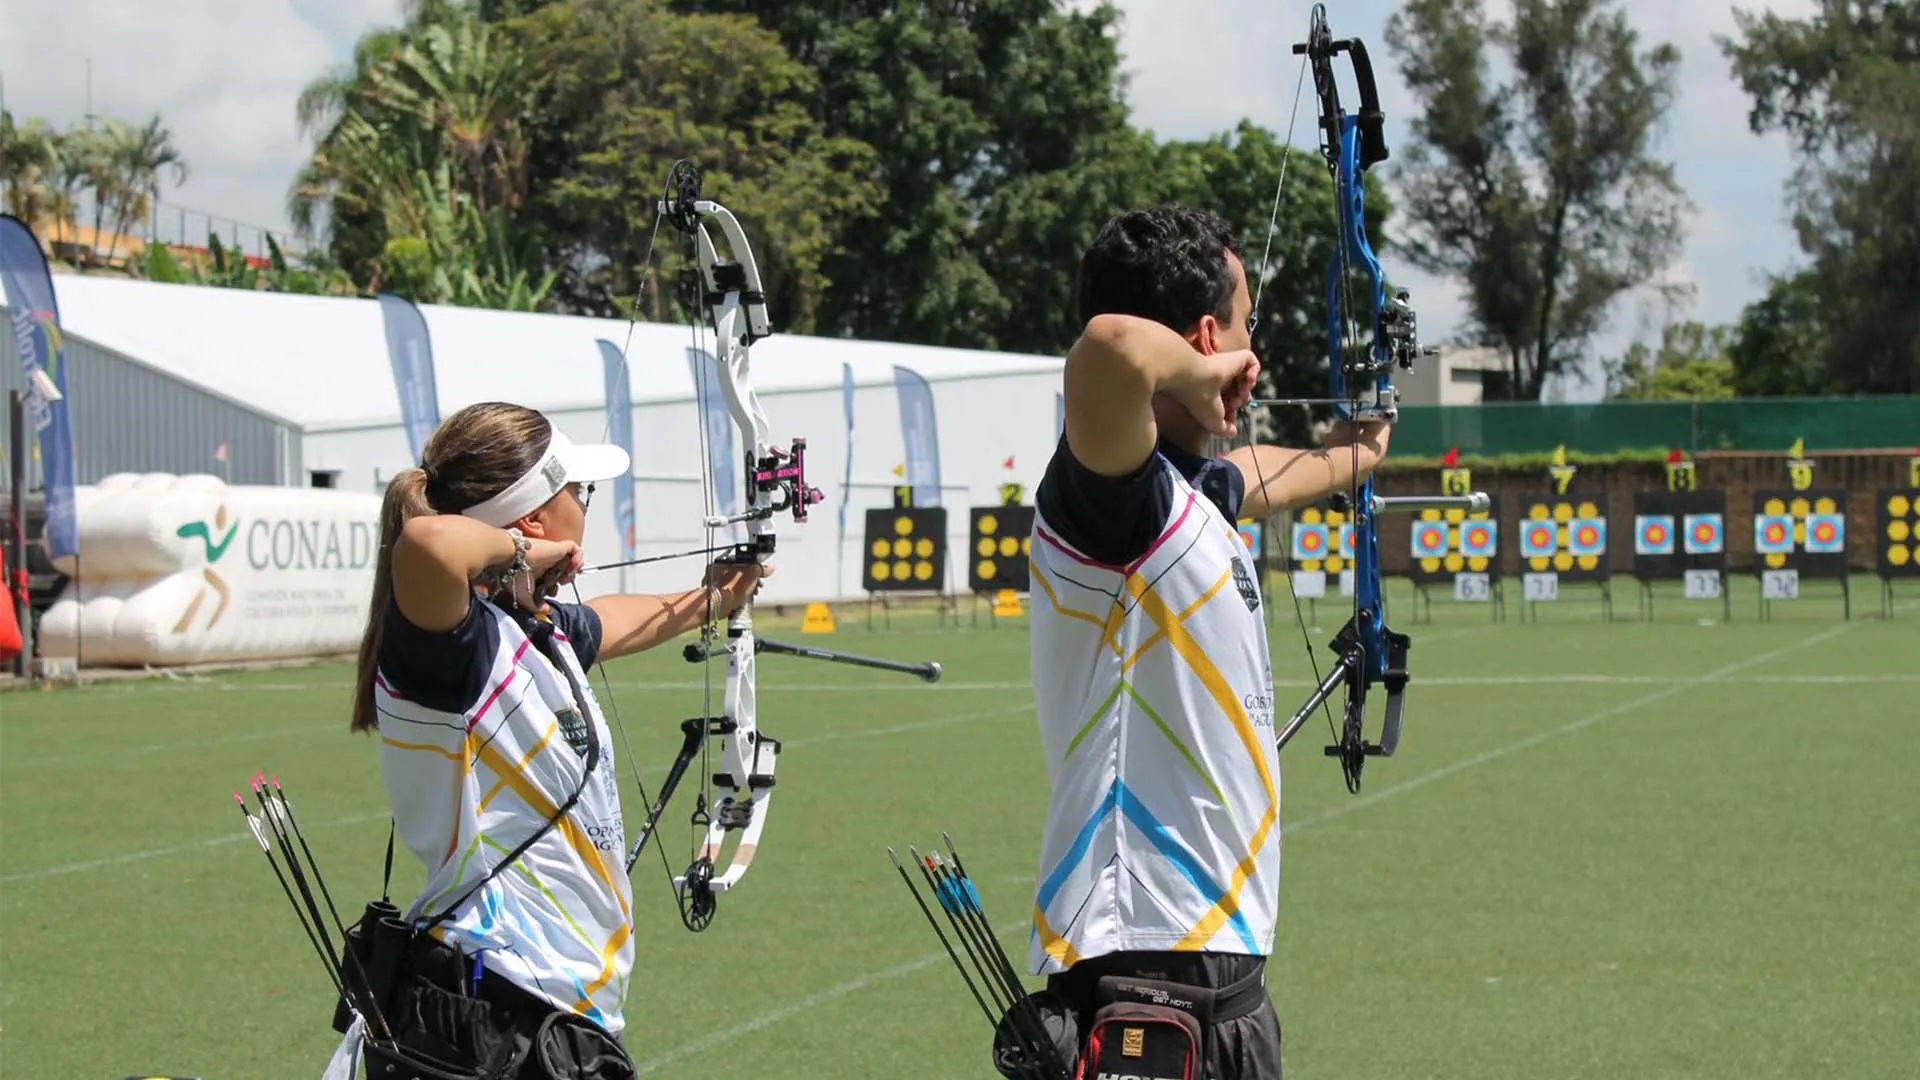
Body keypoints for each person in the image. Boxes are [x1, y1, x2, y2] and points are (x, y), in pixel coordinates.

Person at [1025, 205, 1391, 1080]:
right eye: (1245, 325)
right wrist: (1208, 369)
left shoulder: (1186, 496)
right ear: (1202, 338)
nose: (1253, 350)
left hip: (1214, 974)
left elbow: (1266, 475)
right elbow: (1110, 347)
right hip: (1144, 969)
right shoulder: (1112, 504)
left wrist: (1366, 445)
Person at [324, 401, 764, 1080]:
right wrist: (534, 552)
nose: (586, 507)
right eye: (578, 494)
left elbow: (609, 622)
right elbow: (429, 547)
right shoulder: (452, 653)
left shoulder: (529, 629)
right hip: (492, 1004)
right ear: (532, 518)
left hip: (551, 1007)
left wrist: (713, 597)